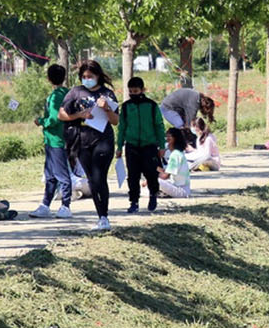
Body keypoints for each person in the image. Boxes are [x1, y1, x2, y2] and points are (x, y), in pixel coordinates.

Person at [59, 59, 119, 230]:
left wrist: (107, 108)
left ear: (98, 76)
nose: (87, 79)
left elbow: (115, 121)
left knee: (100, 176)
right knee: (92, 179)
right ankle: (101, 216)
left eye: (90, 76)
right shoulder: (75, 92)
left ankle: (104, 216)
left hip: (103, 139)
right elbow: (62, 114)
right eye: (84, 76)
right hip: (81, 140)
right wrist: (79, 115)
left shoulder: (107, 94)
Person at [118, 76, 164, 214]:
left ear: (142, 90)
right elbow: (122, 128)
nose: (133, 94)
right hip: (131, 145)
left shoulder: (151, 106)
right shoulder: (126, 107)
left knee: (151, 173)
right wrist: (119, 146)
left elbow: (159, 126)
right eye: (130, 91)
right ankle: (134, 202)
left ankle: (153, 195)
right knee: (133, 175)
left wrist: (162, 146)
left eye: (136, 91)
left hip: (149, 145)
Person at [33, 64, 73, 219]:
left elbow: (55, 118)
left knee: (61, 174)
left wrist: (41, 121)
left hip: (57, 139)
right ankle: (45, 204)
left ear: (49, 78)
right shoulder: (67, 93)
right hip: (52, 139)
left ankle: (65, 205)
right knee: (49, 174)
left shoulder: (56, 96)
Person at [158, 128, 192, 199]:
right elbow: (167, 172)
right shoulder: (178, 153)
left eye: (168, 137)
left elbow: (165, 176)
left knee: (154, 181)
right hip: (182, 188)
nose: (166, 140)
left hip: (181, 191)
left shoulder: (175, 155)